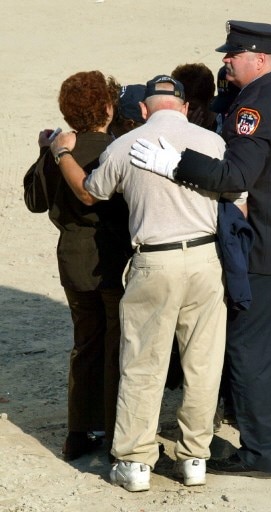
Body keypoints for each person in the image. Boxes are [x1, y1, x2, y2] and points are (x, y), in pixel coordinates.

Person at [130, 21, 271, 477]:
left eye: (234, 54)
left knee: (249, 348)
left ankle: (259, 451)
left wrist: (177, 162)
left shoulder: (255, 107)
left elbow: (236, 178)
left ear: (259, 59)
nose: (225, 59)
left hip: (268, 247)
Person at [49, 74, 246, 491]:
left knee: (142, 363)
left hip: (154, 261)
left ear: (142, 110)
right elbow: (236, 193)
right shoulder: (211, 142)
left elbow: (89, 192)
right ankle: (195, 456)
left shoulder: (123, 146)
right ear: (185, 107)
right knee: (203, 362)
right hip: (205, 259)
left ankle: (136, 461)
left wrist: (61, 153)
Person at [23, 70, 132, 461]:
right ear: (107, 107)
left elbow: (34, 201)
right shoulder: (119, 148)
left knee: (86, 343)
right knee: (118, 344)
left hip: (73, 257)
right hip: (116, 259)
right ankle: (114, 428)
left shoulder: (57, 151)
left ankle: (78, 430)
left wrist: (45, 152)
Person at [171, 62, 217, 130]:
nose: (182, 112)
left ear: (209, 103)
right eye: (178, 106)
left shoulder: (224, 128)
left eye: (190, 108)